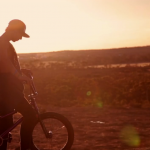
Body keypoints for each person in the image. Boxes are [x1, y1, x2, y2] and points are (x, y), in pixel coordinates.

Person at [0, 19, 39, 150]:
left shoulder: (5, 43)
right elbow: (4, 62)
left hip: (7, 90)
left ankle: (26, 146)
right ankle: (26, 147)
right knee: (30, 115)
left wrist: (21, 71)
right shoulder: (3, 42)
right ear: (14, 30)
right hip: (8, 91)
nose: (21, 38)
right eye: (21, 35)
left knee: (4, 127)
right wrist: (19, 76)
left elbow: (5, 68)